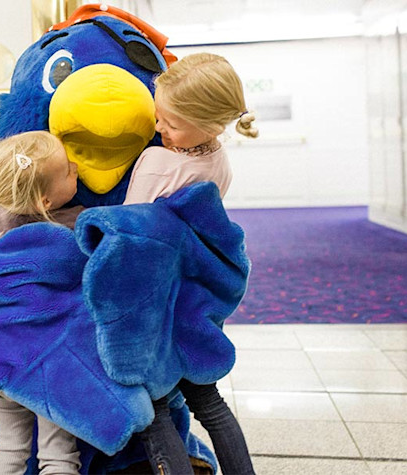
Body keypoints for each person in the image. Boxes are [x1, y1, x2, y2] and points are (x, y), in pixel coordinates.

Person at [128, 53, 258, 475]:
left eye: (171, 123)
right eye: (158, 117)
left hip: (155, 304)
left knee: (157, 405)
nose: (159, 128)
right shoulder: (218, 158)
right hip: (195, 299)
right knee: (210, 402)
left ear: (211, 124)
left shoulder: (156, 164)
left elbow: (129, 231)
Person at [0, 130, 83, 474]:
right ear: (45, 203)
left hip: (2, 360)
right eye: (68, 170)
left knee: (9, 446)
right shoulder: (71, 229)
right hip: (49, 364)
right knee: (58, 453)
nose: (76, 168)